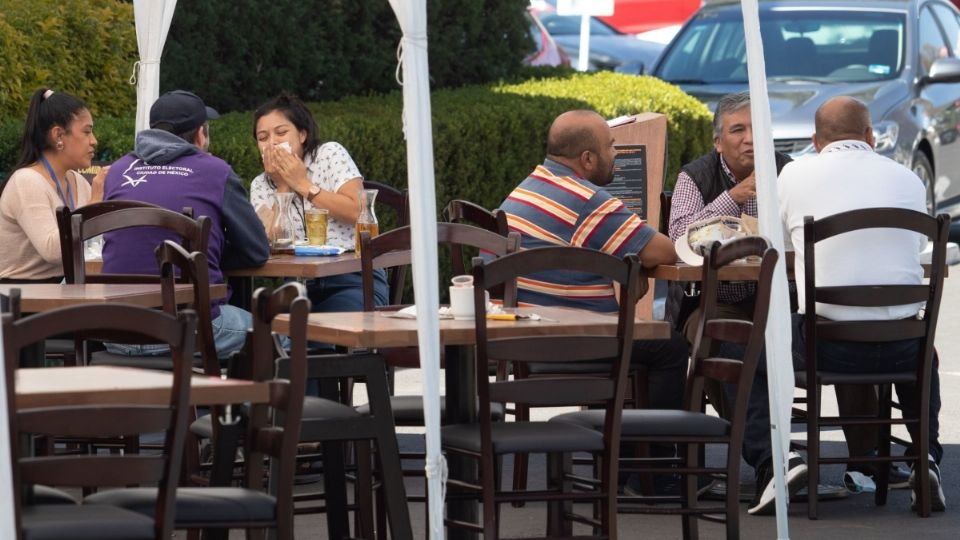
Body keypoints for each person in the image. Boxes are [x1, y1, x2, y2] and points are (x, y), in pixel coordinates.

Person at [774, 95, 945, 512]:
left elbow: (775, 246)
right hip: (904, 346)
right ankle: (925, 455)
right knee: (925, 348)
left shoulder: (794, 175)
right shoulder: (908, 178)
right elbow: (918, 246)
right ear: (871, 136)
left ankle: (780, 459)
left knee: (768, 342)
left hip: (828, 348)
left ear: (816, 140)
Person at [498, 109, 689, 416]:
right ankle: (651, 454)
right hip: (570, 339)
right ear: (587, 159)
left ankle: (622, 447)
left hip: (522, 335)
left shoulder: (527, 187)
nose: (616, 154)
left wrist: (630, 264)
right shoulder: (586, 199)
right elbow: (663, 252)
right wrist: (634, 265)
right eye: (611, 146)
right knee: (672, 347)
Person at [100, 90, 269, 360]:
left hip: (116, 331)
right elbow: (257, 250)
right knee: (288, 335)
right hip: (190, 328)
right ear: (200, 134)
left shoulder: (119, 170)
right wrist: (203, 260)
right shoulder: (216, 171)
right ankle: (239, 402)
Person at [668, 91, 792, 339]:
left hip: (779, 299)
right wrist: (733, 197)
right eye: (737, 130)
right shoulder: (695, 176)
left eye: (757, 128)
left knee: (801, 334)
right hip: (712, 301)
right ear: (718, 142)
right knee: (725, 335)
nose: (750, 139)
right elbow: (679, 239)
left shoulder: (788, 171)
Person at [250, 93, 387, 312]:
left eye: (281, 132)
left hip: (353, 278)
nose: (272, 142)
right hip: (297, 287)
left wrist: (303, 184)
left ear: (302, 134)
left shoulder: (329, 154)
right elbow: (266, 241)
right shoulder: (260, 184)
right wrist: (283, 185)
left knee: (315, 332)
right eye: (263, 137)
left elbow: (358, 211)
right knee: (269, 332)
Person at [0, 87, 107, 282]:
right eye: (86, 132)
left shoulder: (77, 181)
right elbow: (52, 250)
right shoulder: (27, 181)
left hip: (64, 292)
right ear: (58, 135)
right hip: (23, 299)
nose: (94, 141)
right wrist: (94, 205)